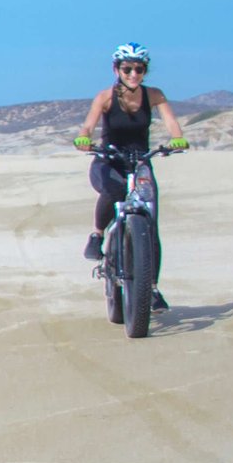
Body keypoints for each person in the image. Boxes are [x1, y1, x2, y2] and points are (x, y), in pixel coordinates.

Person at [73, 42, 187, 310]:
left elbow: (171, 122)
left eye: (139, 69)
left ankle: (152, 289)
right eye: (127, 69)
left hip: (140, 161)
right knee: (113, 190)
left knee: (149, 225)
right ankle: (97, 235)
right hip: (109, 159)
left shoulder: (154, 95)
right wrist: (84, 139)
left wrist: (177, 139)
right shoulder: (105, 97)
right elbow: (88, 126)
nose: (133, 74)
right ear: (117, 70)